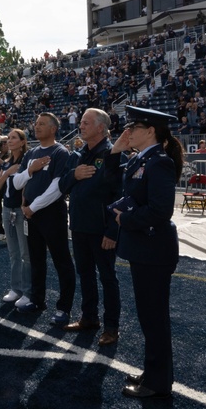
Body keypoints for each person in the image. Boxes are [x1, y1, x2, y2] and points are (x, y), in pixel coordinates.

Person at [108, 106, 183, 399]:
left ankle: (157, 382)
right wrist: (116, 151)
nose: (128, 132)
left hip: (154, 248)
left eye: (134, 127)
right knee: (148, 316)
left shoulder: (158, 163)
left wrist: (124, 219)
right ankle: (154, 372)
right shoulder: (141, 160)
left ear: (150, 131)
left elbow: (161, 210)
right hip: (145, 249)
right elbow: (114, 183)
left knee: (154, 318)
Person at [59, 108, 122, 346]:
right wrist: (74, 175)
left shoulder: (113, 154)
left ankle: (112, 327)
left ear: (100, 127)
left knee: (107, 277)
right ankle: (89, 317)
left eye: (86, 122)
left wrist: (112, 231)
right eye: (81, 122)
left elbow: (120, 195)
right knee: (85, 274)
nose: (80, 125)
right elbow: (62, 186)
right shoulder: (76, 156)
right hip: (79, 226)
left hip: (102, 228)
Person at [10, 113, 76, 327]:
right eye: (36, 124)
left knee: (61, 261)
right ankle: (37, 300)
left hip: (51, 214)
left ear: (54, 129)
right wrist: (31, 169)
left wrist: (31, 208)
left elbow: (57, 188)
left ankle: (64, 308)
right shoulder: (31, 153)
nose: (36, 127)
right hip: (31, 215)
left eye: (42, 124)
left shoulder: (60, 152)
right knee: (36, 259)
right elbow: (18, 183)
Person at [0, 129, 32, 308]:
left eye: (14, 138)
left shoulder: (27, 162)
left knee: (25, 253)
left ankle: (27, 291)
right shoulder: (6, 164)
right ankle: (15, 288)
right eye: (8, 138)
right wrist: (8, 172)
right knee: (13, 253)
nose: (10, 140)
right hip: (7, 209)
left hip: (21, 209)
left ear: (23, 141)